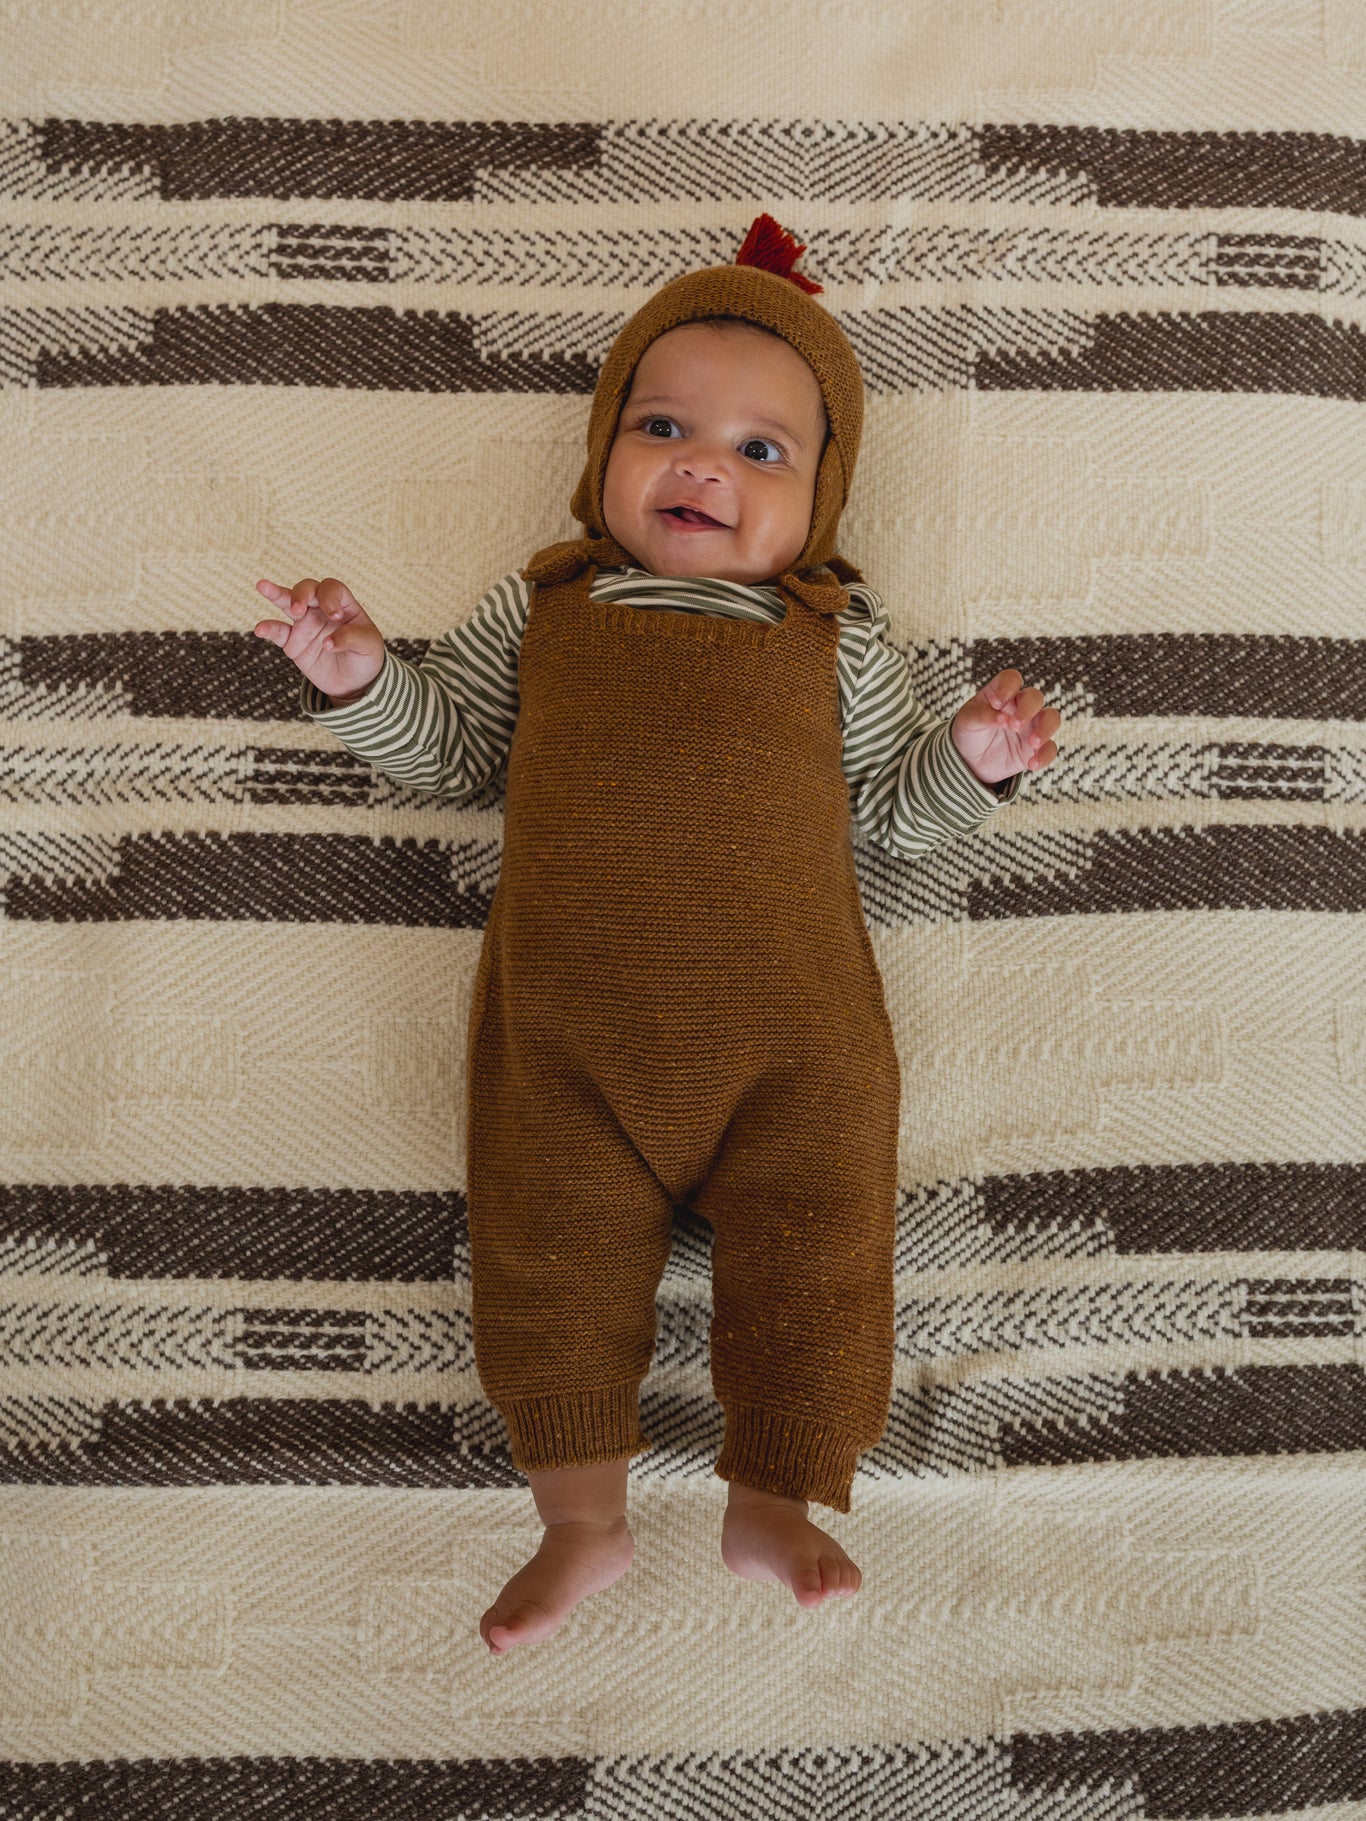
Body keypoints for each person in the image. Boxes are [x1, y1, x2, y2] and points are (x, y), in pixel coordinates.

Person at [252, 215, 1062, 1656]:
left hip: (793, 1051)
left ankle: (776, 1492)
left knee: (819, 1262)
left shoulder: (830, 634)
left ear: (820, 502)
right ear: (602, 453)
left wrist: (971, 759)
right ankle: (579, 1516)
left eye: (761, 450)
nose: (701, 465)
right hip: (568, 1049)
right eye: (664, 427)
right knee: (544, 1263)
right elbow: (456, 757)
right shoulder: (549, 606)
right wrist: (360, 676)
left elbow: (894, 817)